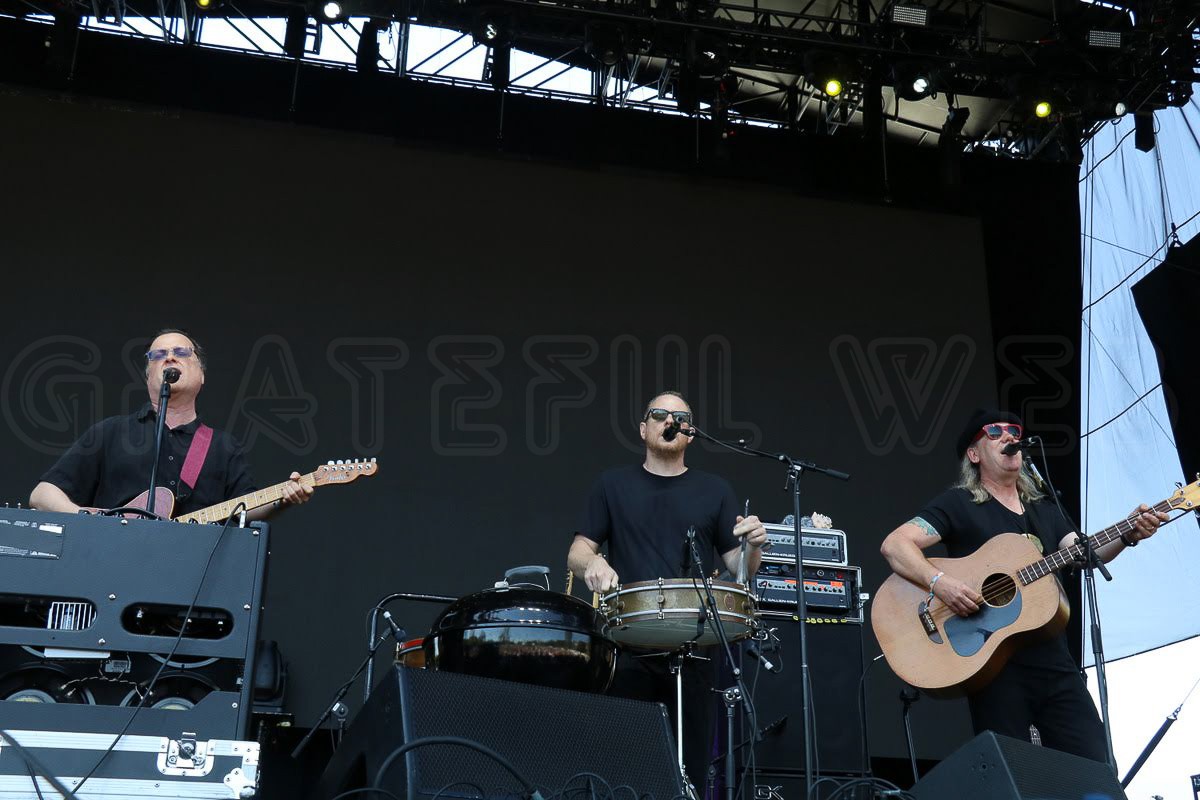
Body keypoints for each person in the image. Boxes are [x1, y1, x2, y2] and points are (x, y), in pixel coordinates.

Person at [879, 408, 1168, 761]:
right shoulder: (959, 504)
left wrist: (1128, 533)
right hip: (993, 667)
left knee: (1093, 765)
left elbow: (1080, 553)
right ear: (974, 454)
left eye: (1013, 430)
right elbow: (895, 545)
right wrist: (941, 584)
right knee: (1013, 775)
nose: (1009, 436)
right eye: (995, 432)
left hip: (1055, 662)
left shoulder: (1044, 507)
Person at [568, 390, 767, 791]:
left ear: (691, 433)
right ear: (644, 429)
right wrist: (594, 562)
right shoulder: (612, 484)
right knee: (623, 767)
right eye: (659, 414)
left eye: (680, 417)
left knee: (688, 770)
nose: (669, 421)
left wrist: (755, 545)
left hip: (693, 647)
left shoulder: (716, 490)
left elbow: (739, 569)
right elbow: (577, 551)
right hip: (627, 647)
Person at [29, 328, 313, 520]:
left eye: (181, 352)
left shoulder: (223, 447)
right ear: (148, 375)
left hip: (188, 582)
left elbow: (242, 511)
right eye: (158, 355)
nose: (170, 357)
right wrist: (86, 520)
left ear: (201, 375)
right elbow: (42, 494)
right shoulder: (111, 432)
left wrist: (284, 497)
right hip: (109, 570)